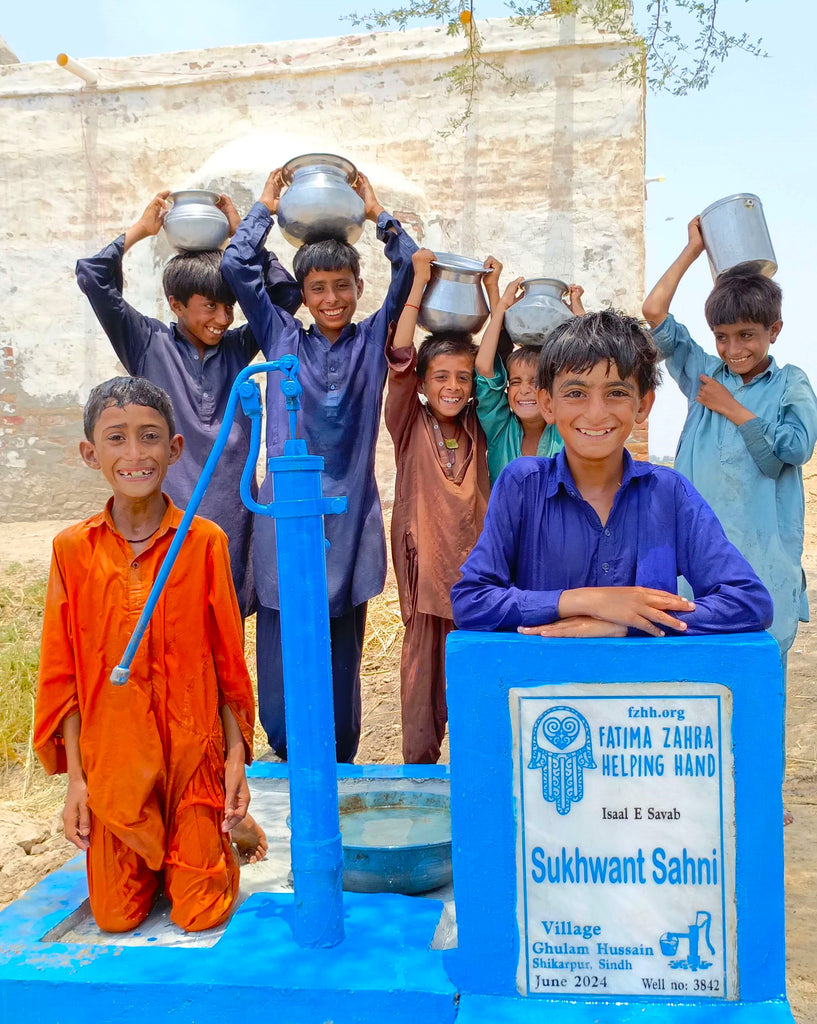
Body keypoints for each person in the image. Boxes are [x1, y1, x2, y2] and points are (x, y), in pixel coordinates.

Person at [34, 377, 265, 934]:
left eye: (150, 437)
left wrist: (234, 761)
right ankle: (161, 848)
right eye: (116, 438)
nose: (134, 455)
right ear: (92, 453)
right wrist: (78, 782)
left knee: (200, 914)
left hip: (193, 755)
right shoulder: (72, 550)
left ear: (175, 449)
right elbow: (61, 674)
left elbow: (228, 661)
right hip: (116, 760)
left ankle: (214, 832)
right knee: (115, 917)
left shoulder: (204, 541)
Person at [221, 169, 417, 762]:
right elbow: (236, 269)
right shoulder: (283, 340)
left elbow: (410, 269)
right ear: (302, 296)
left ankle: (339, 764)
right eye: (318, 289)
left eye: (342, 286)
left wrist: (378, 210)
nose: (331, 299)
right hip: (285, 525)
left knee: (340, 659)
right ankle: (286, 756)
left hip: (349, 522)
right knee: (281, 656)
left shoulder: (371, 343)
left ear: (359, 288)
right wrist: (263, 208)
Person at [451, 310, 773, 639]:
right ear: (548, 404)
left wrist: (631, 622)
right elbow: (471, 602)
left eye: (616, 393)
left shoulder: (668, 493)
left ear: (643, 404)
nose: (595, 413)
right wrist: (588, 601)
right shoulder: (522, 484)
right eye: (576, 393)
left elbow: (750, 602)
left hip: (646, 689)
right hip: (542, 688)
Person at [75, 191, 302, 615]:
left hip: (233, 514)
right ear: (176, 305)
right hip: (170, 516)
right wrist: (142, 230)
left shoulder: (238, 348)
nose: (223, 319)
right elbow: (93, 277)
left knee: (225, 623)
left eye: (229, 307)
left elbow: (286, 297)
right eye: (210, 307)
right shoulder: (147, 344)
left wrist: (243, 234)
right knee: (171, 617)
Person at [642, 216, 817, 659]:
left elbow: (795, 450)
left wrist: (734, 409)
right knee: (695, 681)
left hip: (764, 561)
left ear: (773, 332)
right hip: (695, 562)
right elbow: (654, 313)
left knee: (759, 677)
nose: (734, 349)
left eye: (747, 336)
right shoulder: (702, 373)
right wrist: (693, 250)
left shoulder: (790, 382)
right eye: (722, 337)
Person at [385, 248, 490, 763]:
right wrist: (419, 283)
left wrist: (491, 302)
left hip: (475, 580)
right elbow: (401, 357)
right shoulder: (409, 424)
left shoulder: (482, 426)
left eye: (462, 378)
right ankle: (418, 776)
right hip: (426, 576)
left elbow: (497, 367)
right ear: (424, 385)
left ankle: (472, 774)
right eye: (441, 377)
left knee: (472, 688)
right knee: (421, 686)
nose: (452, 386)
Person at [475, 276, 585, 483]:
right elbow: (483, 367)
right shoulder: (499, 428)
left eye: (535, 382)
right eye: (515, 382)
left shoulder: (565, 429)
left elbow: (589, 371)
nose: (524, 389)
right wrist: (503, 307)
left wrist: (578, 316)